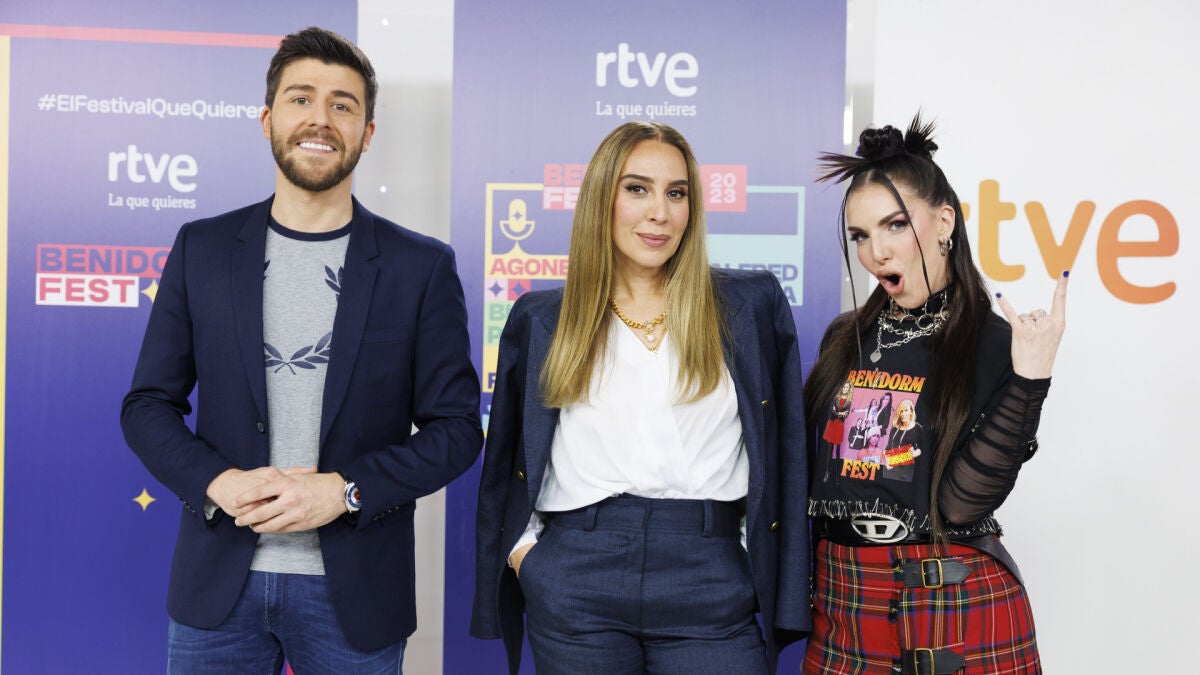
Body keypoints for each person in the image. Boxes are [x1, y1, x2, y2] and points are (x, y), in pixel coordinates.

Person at [120, 27, 482, 673]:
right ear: (268, 120)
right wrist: (218, 483)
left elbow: (456, 430)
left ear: (368, 133)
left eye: (343, 104)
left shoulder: (420, 266)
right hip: (216, 586)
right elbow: (147, 404)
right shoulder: (202, 248)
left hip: (357, 595)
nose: (321, 119)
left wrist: (346, 491)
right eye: (301, 99)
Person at [471, 121, 810, 674]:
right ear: (601, 198)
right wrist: (526, 556)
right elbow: (507, 460)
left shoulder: (748, 305)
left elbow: (787, 451)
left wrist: (755, 561)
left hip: (711, 574)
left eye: (676, 193)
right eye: (637, 189)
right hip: (576, 574)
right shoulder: (542, 318)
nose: (660, 213)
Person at [803, 116, 1066, 674]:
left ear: (944, 221)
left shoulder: (995, 343)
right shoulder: (844, 338)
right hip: (844, 603)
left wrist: (1031, 379)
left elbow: (960, 506)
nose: (876, 252)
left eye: (895, 225)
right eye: (860, 235)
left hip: (955, 605)